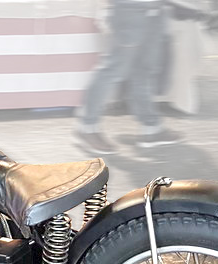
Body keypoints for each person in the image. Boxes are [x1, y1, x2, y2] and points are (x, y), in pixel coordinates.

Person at [75, 0, 184, 155]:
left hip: (154, 10)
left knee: (143, 71)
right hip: (129, 10)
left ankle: (151, 128)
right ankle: (87, 127)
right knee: (113, 70)